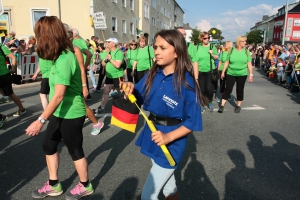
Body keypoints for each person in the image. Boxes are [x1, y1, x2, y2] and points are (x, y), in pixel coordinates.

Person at [122, 29, 203, 200]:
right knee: (169, 189)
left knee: (148, 196)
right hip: (152, 133)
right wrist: (129, 87)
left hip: (171, 143)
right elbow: (137, 96)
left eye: (162, 48)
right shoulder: (153, 74)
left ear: (177, 52)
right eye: (155, 47)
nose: (157, 51)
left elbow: (192, 121)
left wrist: (168, 137)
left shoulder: (188, 83)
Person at [26, 16, 94, 199]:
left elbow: (58, 96)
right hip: (59, 111)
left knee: (75, 150)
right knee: (48, 145)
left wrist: (40, 121)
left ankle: (85, 185)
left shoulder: (65, 58)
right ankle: (54, 185)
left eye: (39, 35)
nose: (38, 39)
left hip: (71, 112)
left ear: (49, 35)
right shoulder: (58, 56)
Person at [218, 36, 253, 113]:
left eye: (245, 41)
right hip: (231, 73)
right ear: (239, 42)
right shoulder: (231, 51)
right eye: (243, 41)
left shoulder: (246, 52)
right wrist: (223, 71)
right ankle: (222, 105)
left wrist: (251, 75)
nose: (245, 43)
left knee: (239, 89)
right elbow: (227, 62)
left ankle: (238, 106)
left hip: (242, 74)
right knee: (228, 89)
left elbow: (249, 64)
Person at [96, 38, 125, 113]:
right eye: (107, 42)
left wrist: (110, 59)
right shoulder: (108, 52)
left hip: (118, 76)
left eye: (109, 42)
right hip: (109, 76)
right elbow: (103, 64)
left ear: (114, 44)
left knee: (120, 92)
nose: (107, 43)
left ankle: (122, 108)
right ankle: (102, 107)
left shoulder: (119, 53)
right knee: (106, 91)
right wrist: (106, 59)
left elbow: (118, 65)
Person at [0, 43, 26, 116]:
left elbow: (13, 57)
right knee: (8, 93)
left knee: (10, 93)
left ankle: (22, 109)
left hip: (3, 75)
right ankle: (5, 97)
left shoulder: (1, 47)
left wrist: (13, 69)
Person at [195, 31, 218, 112]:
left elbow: (216, 57)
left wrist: (212, 54)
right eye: (205, 38)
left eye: (208, 38)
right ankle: (202, 104)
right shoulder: (197, 47)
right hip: (200, 71)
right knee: (202, 89)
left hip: (210, 71)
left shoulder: (212, 46)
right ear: (201, 38)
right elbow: (194, 60)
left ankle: (210, 102)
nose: (207, 39)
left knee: (209, 89)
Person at [72, 28, 93, 100]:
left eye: (70, 32)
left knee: (81, 82)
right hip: (79, 65)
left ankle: (85, 96)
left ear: (74, 34)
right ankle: (86, 95)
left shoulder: (79, 42)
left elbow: (88, 54)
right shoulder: (76, 41)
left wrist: (86, 64)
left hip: (80, 65)